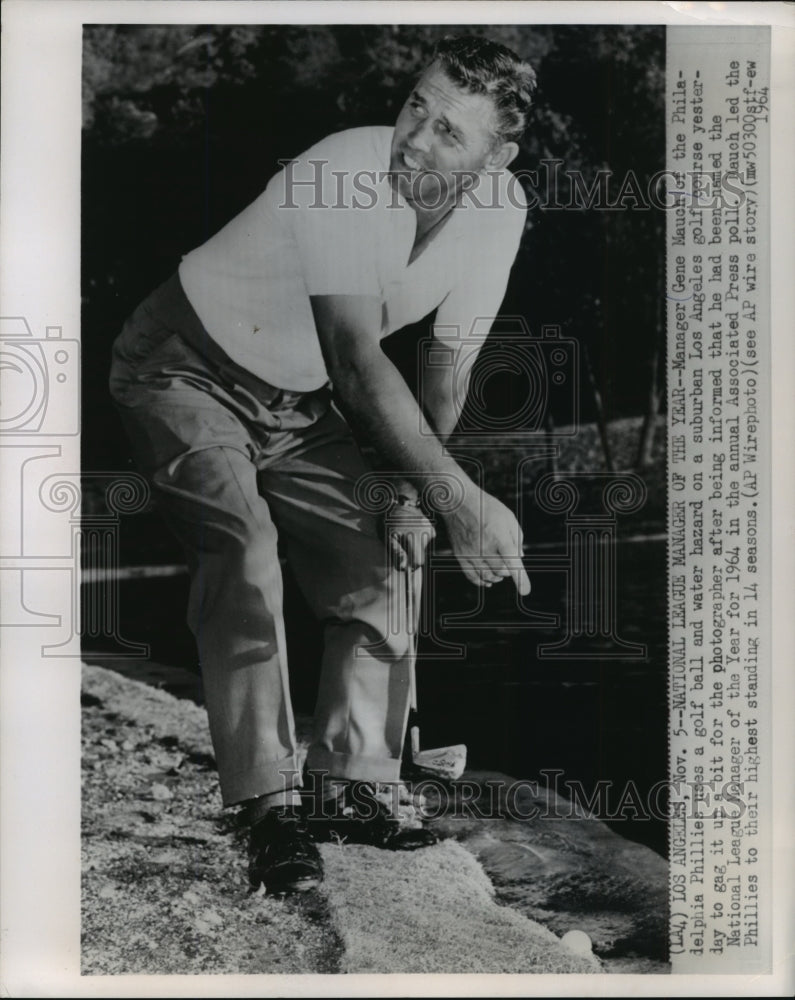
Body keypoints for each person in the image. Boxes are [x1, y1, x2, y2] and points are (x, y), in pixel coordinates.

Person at [109, 35, 536, 894]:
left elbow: (446, 369)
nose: (414, 138)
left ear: (499, 155)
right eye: (415, 104)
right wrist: (458, 500)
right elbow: (355, 358)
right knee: (244, 550)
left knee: (384, 546)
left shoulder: (503, 209)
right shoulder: (342, 169)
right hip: (179, 365)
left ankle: (356, 786)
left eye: (449, 131)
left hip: (297, 406)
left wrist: (424, 494)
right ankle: (267, 808)